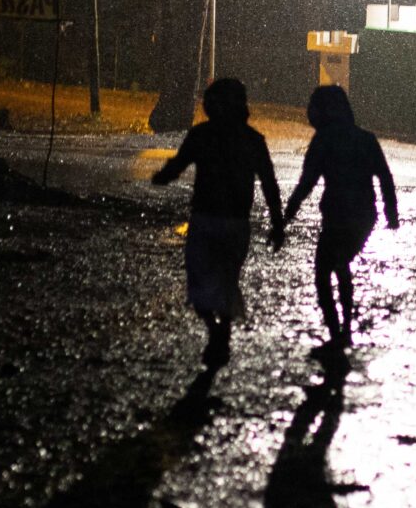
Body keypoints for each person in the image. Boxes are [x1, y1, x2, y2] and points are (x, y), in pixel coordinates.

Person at [151, 77, 285, 368]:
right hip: (236, 223)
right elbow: (270, 185)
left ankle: (217, 331)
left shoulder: (203, 135)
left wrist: (161, 177)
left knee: (199, 281)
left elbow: (177, 165)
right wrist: (277, 223)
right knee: (226, 280)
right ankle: (221, 329)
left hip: (207, 219)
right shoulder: (252, 140)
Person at [282, 84, 399, 350]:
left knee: (325, 272)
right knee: (340, 264)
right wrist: (391, 214)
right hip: (364, 216)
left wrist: (286, 216)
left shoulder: (323, 140)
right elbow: (385, 177)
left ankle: (338, 331)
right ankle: (344, 326)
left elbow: (306, 183)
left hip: (336, 215)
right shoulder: (365, 139)